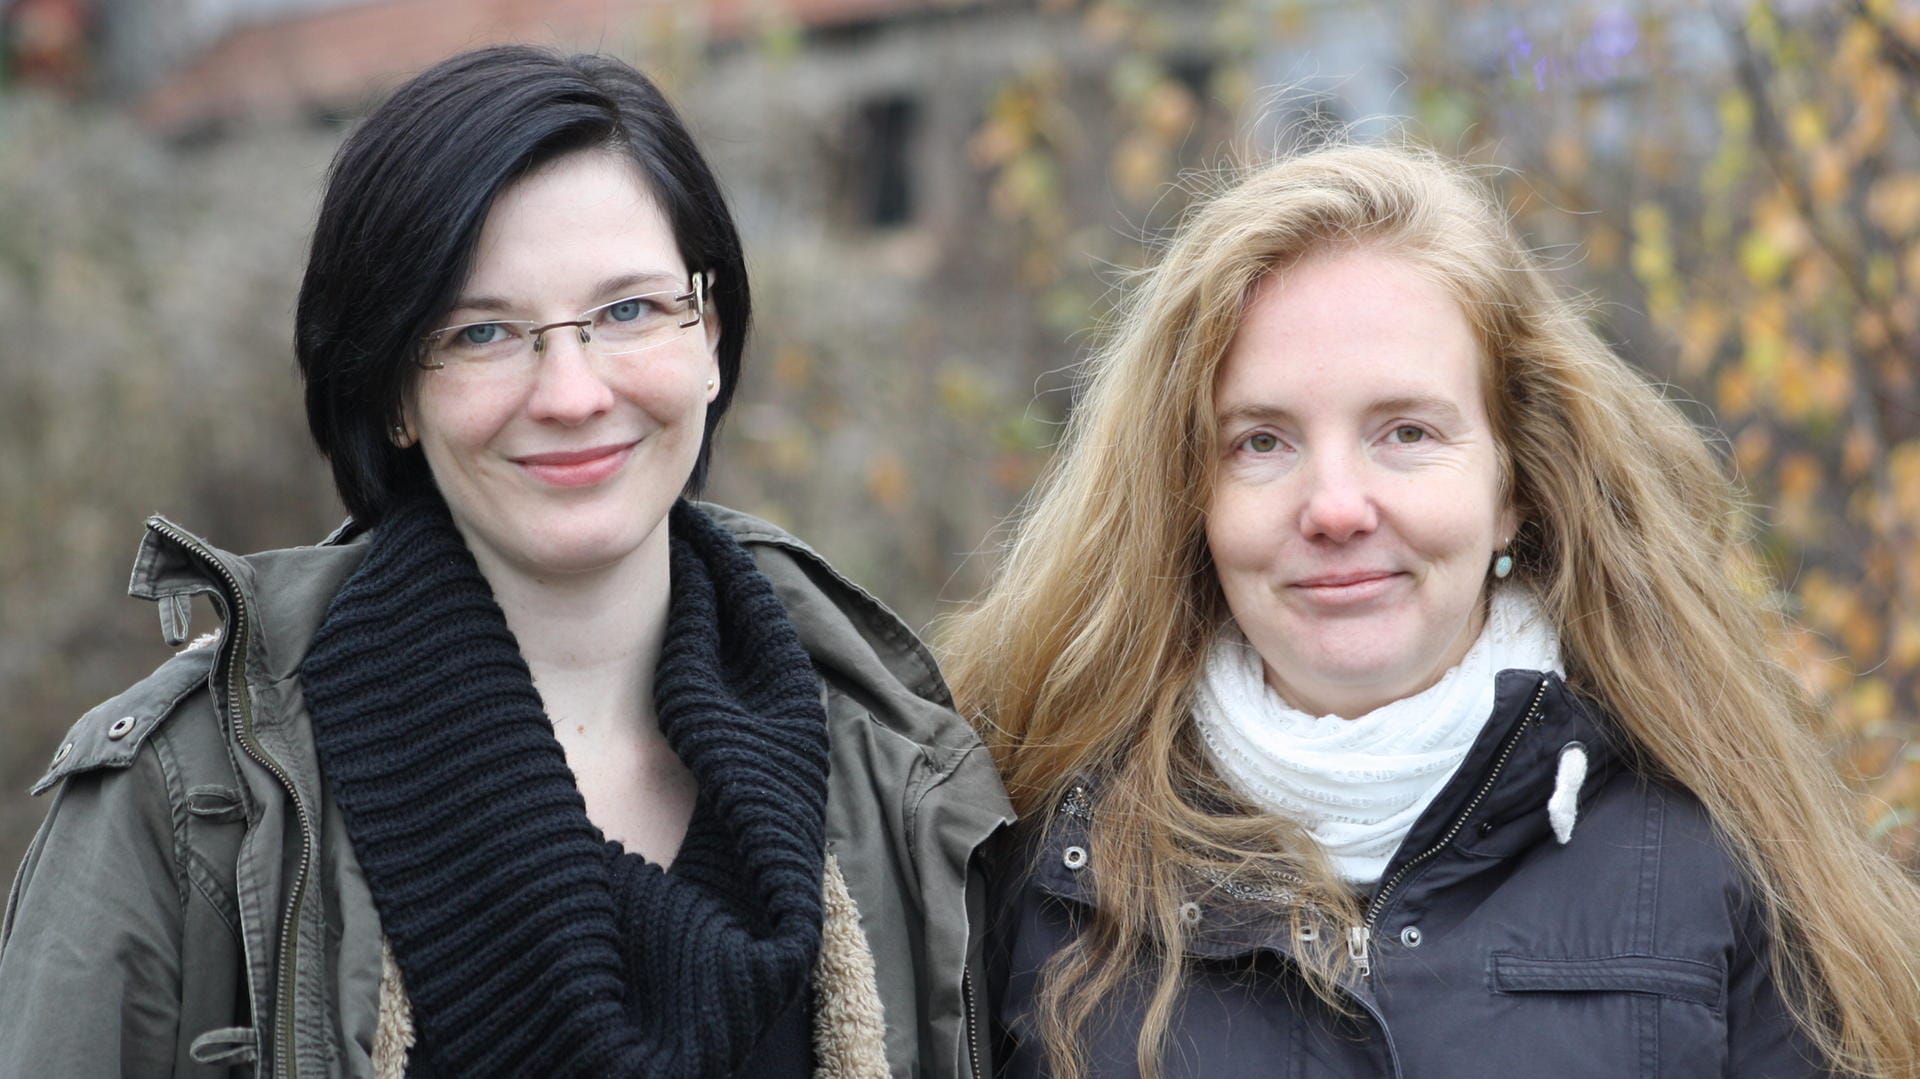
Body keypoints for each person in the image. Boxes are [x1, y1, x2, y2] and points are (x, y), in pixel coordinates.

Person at [0, 46, 1010, 1079]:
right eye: (483, 331)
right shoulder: (185, 804)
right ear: (394, 388)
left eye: (628, 310)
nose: (571, 393)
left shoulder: (903, 774)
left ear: (708, 333)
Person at [945, 142, 1920, 1078]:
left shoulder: (1722, 865)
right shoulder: (1033, 867)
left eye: (1406, 431)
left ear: (1514, 483)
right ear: (1185, 498)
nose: (1334, 506)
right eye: (1260, 443)